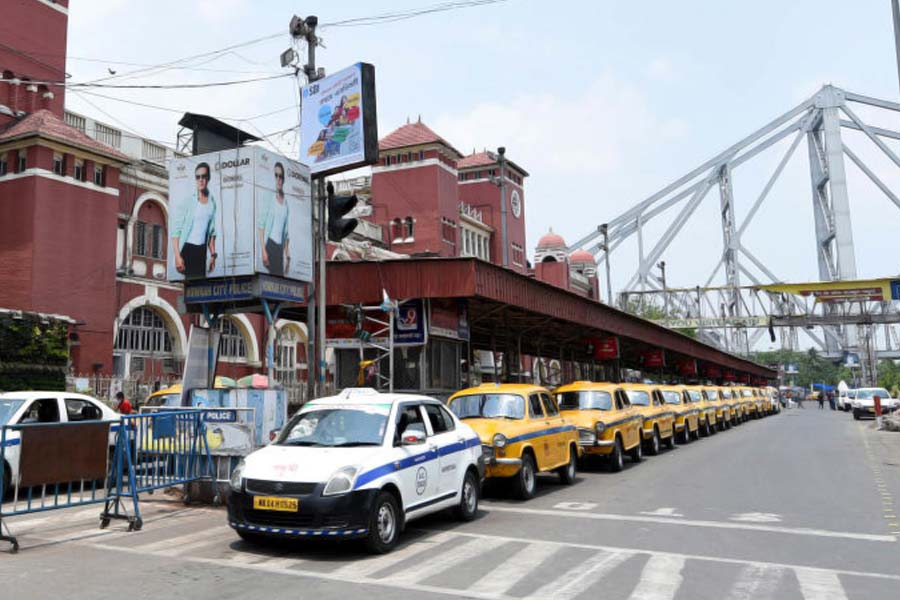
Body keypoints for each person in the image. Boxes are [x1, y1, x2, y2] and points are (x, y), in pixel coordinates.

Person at [171, 162, 217, 280]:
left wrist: (213, 255)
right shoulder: (188, 201)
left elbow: (212, 232)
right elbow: (175, 231)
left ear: (208, 178)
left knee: (202, 285)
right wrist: (177, 256)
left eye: (204, 176)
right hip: (188, 249)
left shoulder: (212, 203)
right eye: (198, 177)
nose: (201, 180)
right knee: (190, 286)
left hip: (202, 252)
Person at [257, 162, 290, 277]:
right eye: (276, 175)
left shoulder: (286, 203)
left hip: (280, 249)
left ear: (284, 179)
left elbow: (286, 233)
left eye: (281, 176)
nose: (278, 179)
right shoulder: (269, 197)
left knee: (279, 280)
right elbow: (261, 225)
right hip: (270, 245)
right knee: (269, 280)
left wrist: (287, 256)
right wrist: (263, 251)